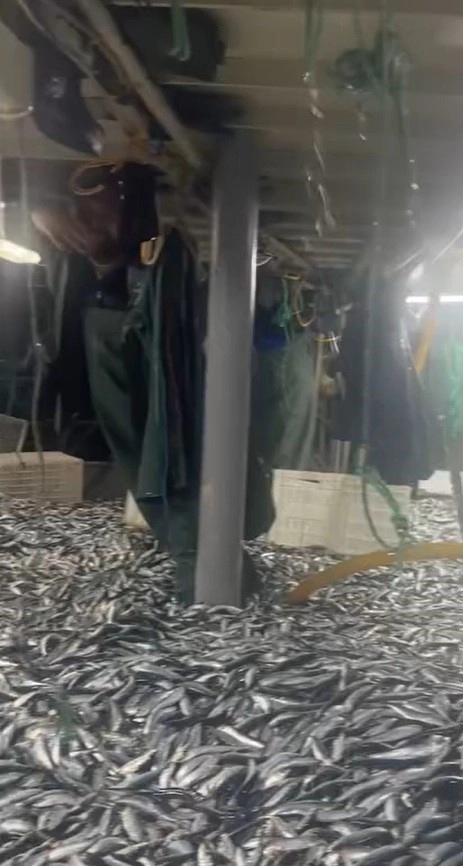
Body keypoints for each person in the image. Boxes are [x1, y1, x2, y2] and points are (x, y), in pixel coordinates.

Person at [33, 162, 317, 604]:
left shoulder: (128, 287)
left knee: (165, 453)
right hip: (121, 328)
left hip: (121, 328)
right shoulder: (116, 287)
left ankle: (129, 187)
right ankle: (132, 186)